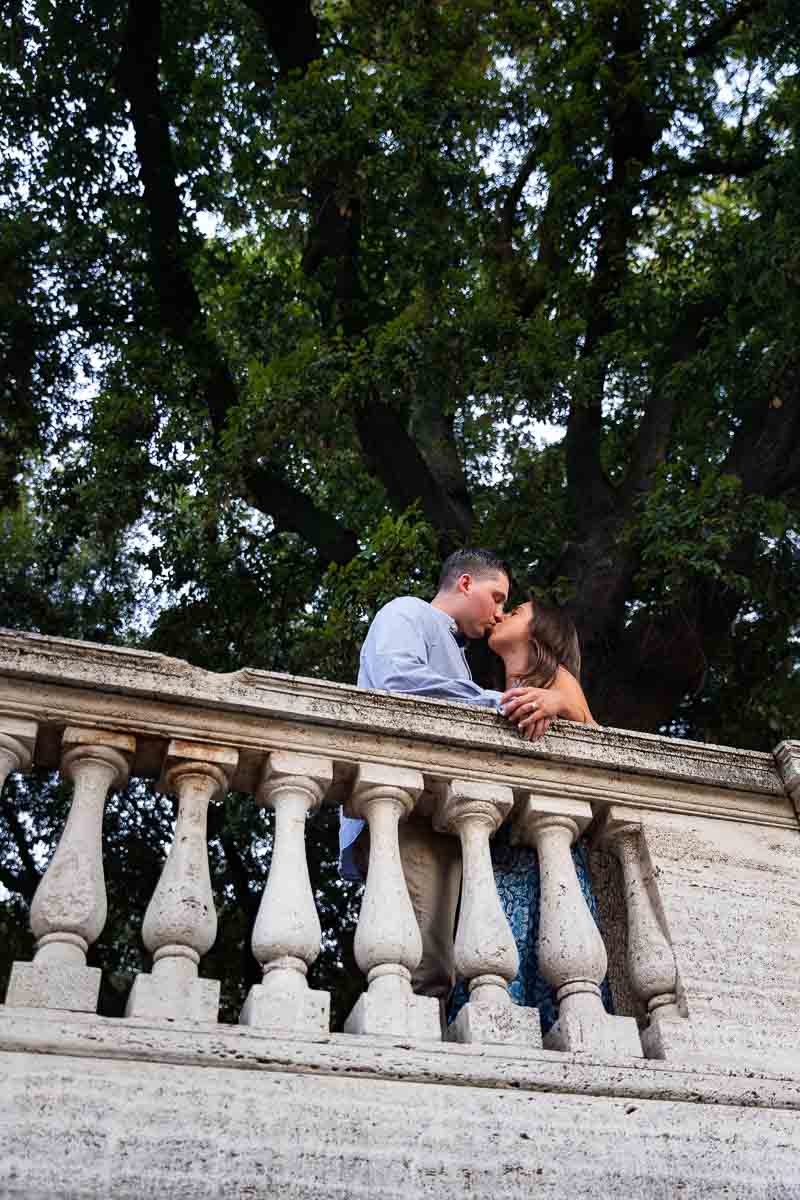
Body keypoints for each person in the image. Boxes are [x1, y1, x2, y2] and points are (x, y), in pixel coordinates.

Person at [341, 547, 513, 1004]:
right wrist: (493, 701)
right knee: (420, 969)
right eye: (496, 597)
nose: (498, 614)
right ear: (465, 584)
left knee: (440, 966)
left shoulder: (455, 650)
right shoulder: (407, 612)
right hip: (407, 811)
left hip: (442, 819)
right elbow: (397, 679)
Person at [448, 596, 603, 1029]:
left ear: (541, 632)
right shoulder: (500, 690)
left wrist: (556, 704)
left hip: (544, 857)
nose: (502, 613)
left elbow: (592, 730)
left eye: (515, 611)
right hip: (498, 850)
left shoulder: (554, 677)